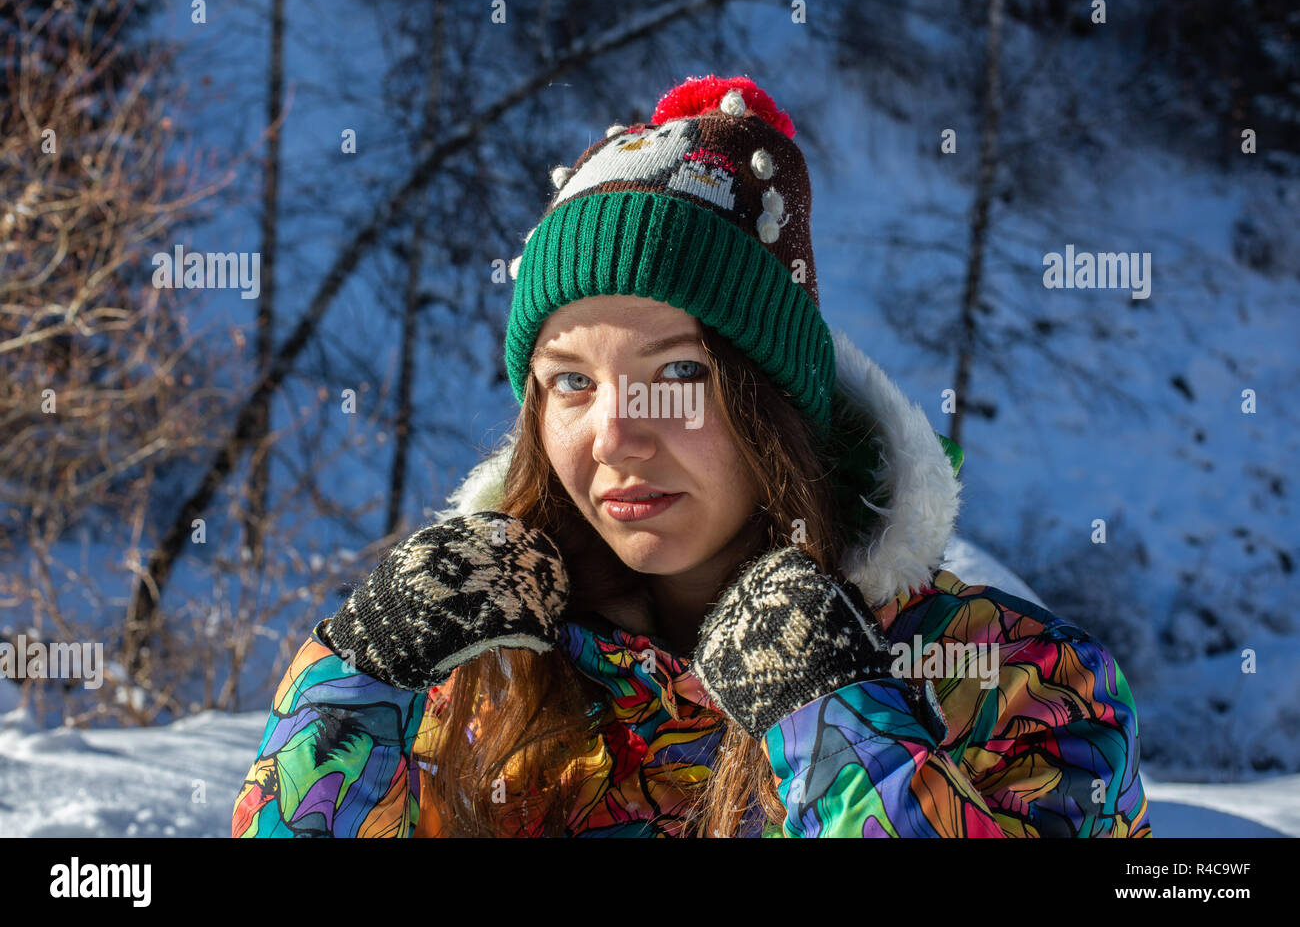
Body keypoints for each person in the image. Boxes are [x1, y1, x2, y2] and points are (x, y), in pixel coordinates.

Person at [232, 74, 1153, 838]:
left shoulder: (1021, 683)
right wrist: (358, 677)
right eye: (570, 382)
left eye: (677, 372)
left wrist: (833, 717)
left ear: (776, 400)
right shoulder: (478, 684)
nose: (616, 434)